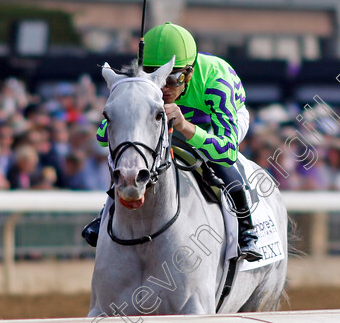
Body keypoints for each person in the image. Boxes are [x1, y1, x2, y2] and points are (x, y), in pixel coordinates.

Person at [84, 22, 262, 262]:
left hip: (212, 119)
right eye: (155, 76)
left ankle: (246, 228)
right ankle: (107, 210)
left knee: (215, 159)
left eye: (173, 78)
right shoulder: (145, 83)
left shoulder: (217, 82)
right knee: (131, 149)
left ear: (188, 73)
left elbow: (227, 150)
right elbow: (103, 137)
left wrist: (186, 127)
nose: (163, 87)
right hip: (169, 114)